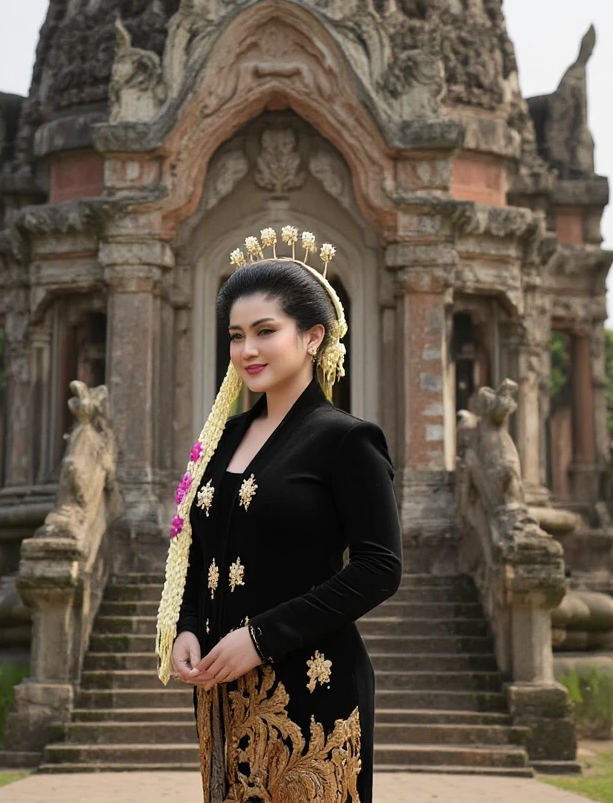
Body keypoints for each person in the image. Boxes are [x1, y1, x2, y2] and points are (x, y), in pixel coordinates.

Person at [156, 225, 402, 803]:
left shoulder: (347, 440)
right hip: (220, 688)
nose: (247, 351)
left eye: (266, 332)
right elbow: (201, 542)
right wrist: (188, 624)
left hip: (311, 687)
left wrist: (263, 637)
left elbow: (379, 567)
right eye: (237, 335)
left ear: (313, 337)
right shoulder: (225, 435)